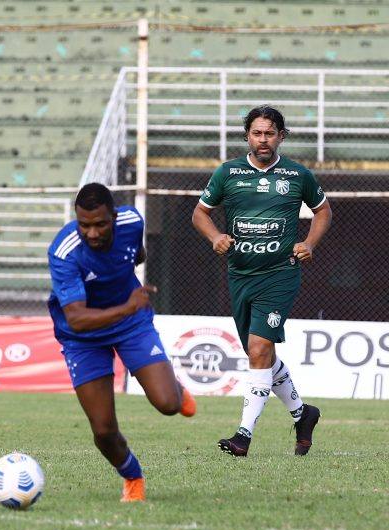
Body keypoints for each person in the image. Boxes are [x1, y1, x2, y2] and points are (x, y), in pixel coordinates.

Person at [192, 104, 332, 457]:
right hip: (240, 275)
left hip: (280, 274)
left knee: (257, 349)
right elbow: (200, 213)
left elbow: (323, 211)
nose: (263, 139)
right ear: (247, 136)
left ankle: (243, 435)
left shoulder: (298, 175)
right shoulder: (228, 173)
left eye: (270, 132)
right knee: (262, 355)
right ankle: (303, 414)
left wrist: (309, 244)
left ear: (281, 136)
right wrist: (214, 237)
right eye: (257, 133)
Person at [47, 182, 196, 503]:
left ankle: (176, 388)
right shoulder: (64, 251)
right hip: (83, 337)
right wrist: (128, 305)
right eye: (84, 225)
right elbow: (77, 318)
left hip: (130, 324)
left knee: (169, 405)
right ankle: (132, 477)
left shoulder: (132, 221)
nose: (92, 233)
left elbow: (137, 253)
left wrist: (129, 303)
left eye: (100, 224)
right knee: (103, 431)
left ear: (114, 216)